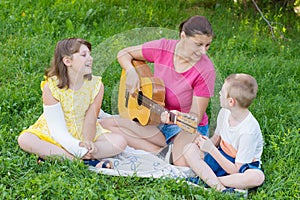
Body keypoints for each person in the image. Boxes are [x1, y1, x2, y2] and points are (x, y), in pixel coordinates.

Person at [100, 15, 216, 165]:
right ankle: (161, 153)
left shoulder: (206, 70)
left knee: (184, 160)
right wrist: (130, 71)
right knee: (106, 125)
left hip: (182, 128)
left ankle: (163, 152)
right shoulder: (163, 48)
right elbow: (124, 53)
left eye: (207, 45)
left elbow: (195, 118)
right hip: (154, 120)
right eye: (198, 44)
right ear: (183, 36)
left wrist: (177, 117)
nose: (203, 51)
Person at [18, 38, 127, 168]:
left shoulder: (96, 85)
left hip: (84, 129)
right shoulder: (51, 87)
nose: (90, 58)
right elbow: (57, 129)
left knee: (119, 142)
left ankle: (58, 156)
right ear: (67, 61)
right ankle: (82, 160)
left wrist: (88, 141)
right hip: (55, 131)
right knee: (25, 139)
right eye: (84, 55)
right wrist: (77, 149)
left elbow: (91, 119)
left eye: (90, 54)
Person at [183, 73, 265, 192]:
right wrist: (204, 144)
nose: (219, 94)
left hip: (241, 167)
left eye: (222, 92)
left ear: (231, 101)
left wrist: (211, 149)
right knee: (189, 149)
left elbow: (236, 169)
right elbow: (217, 138)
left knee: (257, 177)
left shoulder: (248, 131)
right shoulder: (224, 112)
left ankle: (208, 180)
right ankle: (220, 187)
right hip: (221, 156)